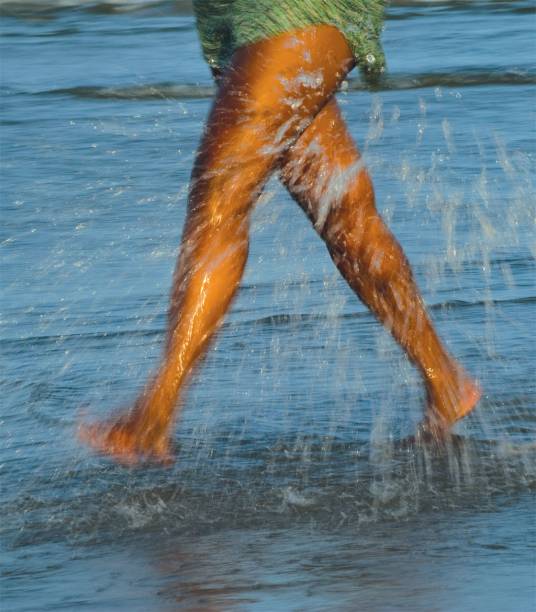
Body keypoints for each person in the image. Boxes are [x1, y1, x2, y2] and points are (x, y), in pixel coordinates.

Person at [79, 0, 481, 464]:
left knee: (221, 193)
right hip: (236, 14)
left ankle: (154, 415)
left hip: (294, 7)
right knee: (344, 215)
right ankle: (444, 381)